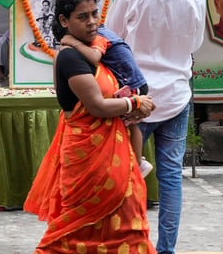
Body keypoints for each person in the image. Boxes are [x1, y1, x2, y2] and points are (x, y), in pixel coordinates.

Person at [5, 0, 178, 254]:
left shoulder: (90, 49)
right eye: (82, 17)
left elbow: (108, 81)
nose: (91, 22)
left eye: (94, 14)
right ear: (64, 21)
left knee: (83, 224)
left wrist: (131, 107)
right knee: (122, 221)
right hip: (89, 154)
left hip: (109, 148)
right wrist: (133, 103)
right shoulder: (69, 58)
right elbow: (97, 106)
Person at [107, 0, 207, 254]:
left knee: (123, 176)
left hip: (135, 100)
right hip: (177, 96)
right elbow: (196, 43)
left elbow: (111, 37)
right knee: (170, 178)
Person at [60, 24, 153, 178]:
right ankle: (136, 162)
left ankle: (137, 163)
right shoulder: (103, 33)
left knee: (131, 125)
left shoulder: (100, 36)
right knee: (130, 125)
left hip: (131, 83)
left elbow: (95, 58)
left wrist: (72, 42)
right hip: (132, 81)